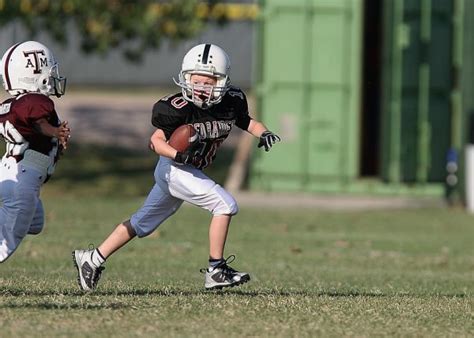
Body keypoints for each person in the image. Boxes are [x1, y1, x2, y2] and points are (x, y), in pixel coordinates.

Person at [72, 43, 280, 291]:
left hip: (182, 171)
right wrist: (178, 155)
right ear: (186, 78)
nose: (201, 88)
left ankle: (92, 259)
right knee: (225, 204)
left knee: (141, 224)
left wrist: (263, 132)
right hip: (174, 168)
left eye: (208, 82)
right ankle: (216, 269)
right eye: (197, 81)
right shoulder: (175, 108)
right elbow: (155, 141)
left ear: (222, 82)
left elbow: (246, 121)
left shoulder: (231, 101)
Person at [0, 41, 71, 263]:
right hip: (23, 178)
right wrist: (55, 131)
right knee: (6, 239)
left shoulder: (15, 103)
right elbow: (39, 123)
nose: (53, 77)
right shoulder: (35, 101)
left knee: (35, 222)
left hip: (12, 172)